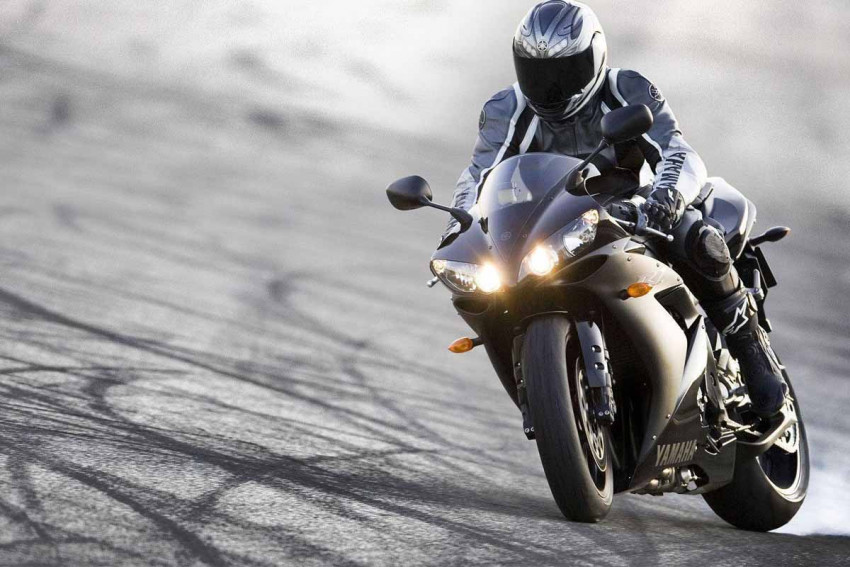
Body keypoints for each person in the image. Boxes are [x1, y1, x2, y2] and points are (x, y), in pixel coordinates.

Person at [442, 0, 785, 416]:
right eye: (538, 74)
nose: (551, 88)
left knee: (695, 235)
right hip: (547, 222)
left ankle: (747, 343)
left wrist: (667, 198)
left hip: (631, 207)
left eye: (566, 71)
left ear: (596, 56)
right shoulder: (505, 109)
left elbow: (677, 150)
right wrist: (460, 226)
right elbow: (478, 176)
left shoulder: (627, 89)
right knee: (493, 284)